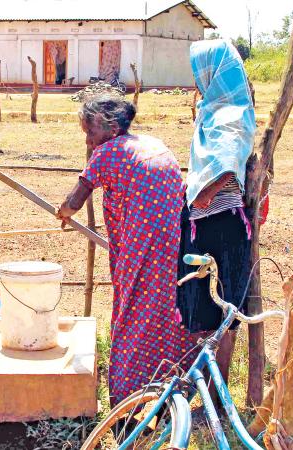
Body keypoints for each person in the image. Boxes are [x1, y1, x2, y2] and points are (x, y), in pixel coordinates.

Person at [57, 95, 195, 406]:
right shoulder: (153, 144)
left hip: (143, 241)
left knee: (133, 305)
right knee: (162, 303)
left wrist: (64, 211)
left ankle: (129, 393)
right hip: (175, 240)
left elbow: (76, 199)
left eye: (90, 132)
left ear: (112, 127)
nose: (89, 140)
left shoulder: (108, 152)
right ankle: (170, 382)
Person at [176, 39, 257, 398]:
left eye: (200, 71)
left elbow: (230, 159)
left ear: (214, 73)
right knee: (200, 308)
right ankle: (206, 393)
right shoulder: (212, 110)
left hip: (222, 225)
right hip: (201, 223)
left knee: (222, 314)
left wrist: (203, 193)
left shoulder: (233, 113)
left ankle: (216, 396)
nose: (196, 79)